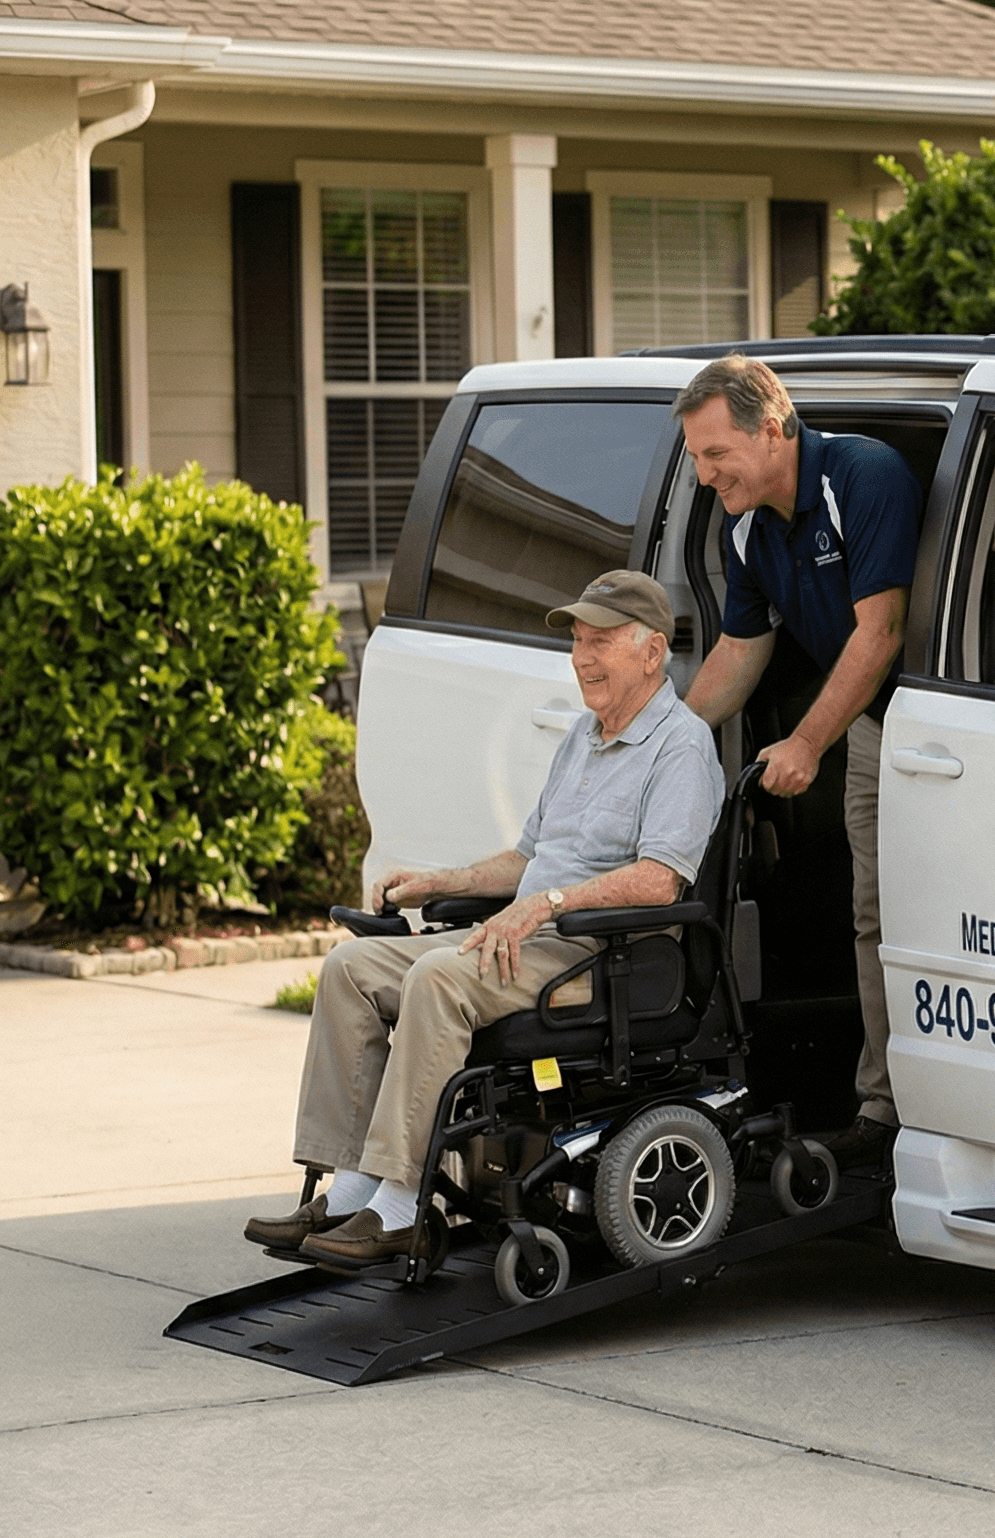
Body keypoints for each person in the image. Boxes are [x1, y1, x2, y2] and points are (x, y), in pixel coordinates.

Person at [245, 571, 721, 1269]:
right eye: (579, 641)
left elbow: (659, 879)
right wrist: (446, 880)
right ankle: (349, 1189)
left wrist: (549, 904)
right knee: (351, 967)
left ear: (652, 652)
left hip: (599, 955)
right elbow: (528, 858)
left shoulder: (680, 747)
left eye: (602, 642)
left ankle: (401, 1205)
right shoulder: (582, 738)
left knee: (439, 978)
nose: (582, 657)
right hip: (526, 936)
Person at [674, 354, 920, 1170]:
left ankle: (947, 1109)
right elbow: (742, 650)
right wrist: (658, 742)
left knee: (938, 929)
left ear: (773, 430)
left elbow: (880, 632)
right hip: (877, 732)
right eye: (697, 460)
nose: (705, 477)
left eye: (715, 456)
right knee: (875, 921)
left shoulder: (862, 476)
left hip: (937, 725)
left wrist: (808, 742)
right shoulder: (747, 525)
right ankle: (883, 1112)